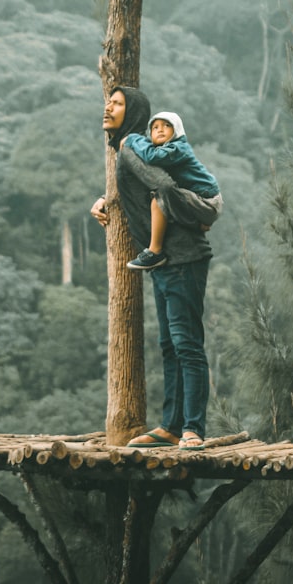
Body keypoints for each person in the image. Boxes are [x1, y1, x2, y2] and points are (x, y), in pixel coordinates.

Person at [90, 86, 213, 451]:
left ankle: (193, 428)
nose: (108, 107)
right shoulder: (127, 149)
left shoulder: (132, 144)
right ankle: (171, 426)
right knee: (170, 346)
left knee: (186, 344)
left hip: (183, 257)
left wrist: (192, 213)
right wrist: (105, 198)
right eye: (108, 102)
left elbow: (161, 184)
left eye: (117, 104)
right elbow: (139, 188)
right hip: (163, 261)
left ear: (133, 112)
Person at [122, 111, 222, 270]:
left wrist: (133, 139)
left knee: (160, 198)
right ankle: (196, 224)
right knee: (161, 196)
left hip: (207, 202)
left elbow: (152, 156)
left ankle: (155, 252)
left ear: (177, 130)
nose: (160, 130)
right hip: (196, 200)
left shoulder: (178, 148)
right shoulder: (166, 149)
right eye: (155, 128)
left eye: (167, 126)